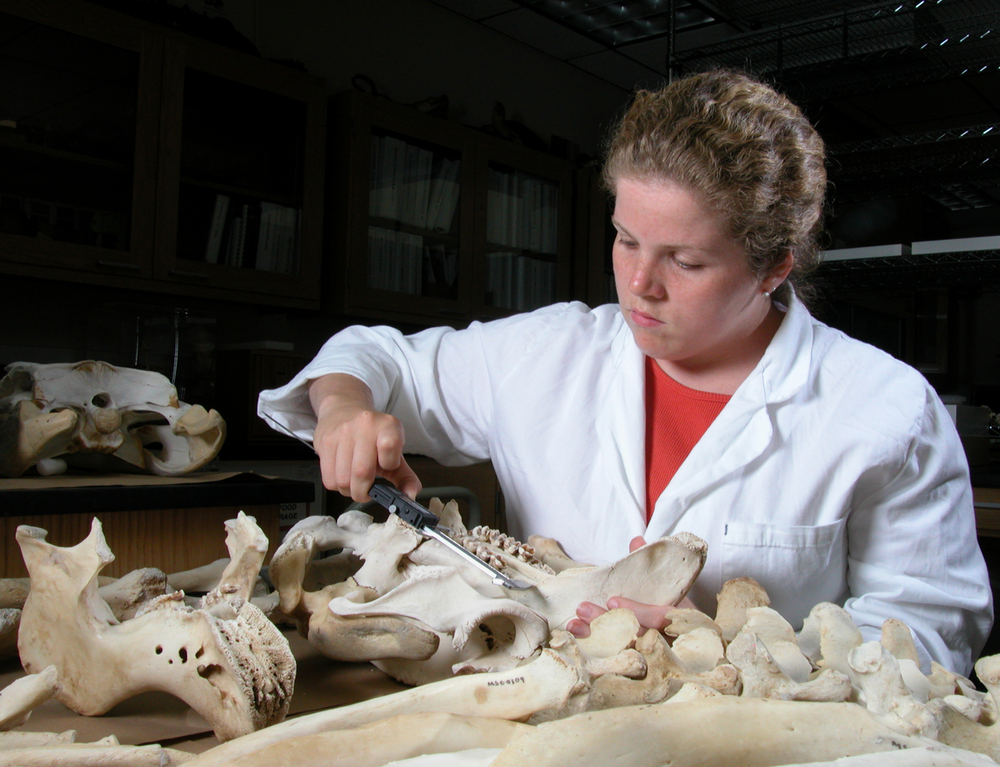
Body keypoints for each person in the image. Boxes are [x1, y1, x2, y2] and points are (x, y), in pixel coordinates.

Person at [258, 69, 993, 676]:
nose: (640, 282)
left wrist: (733, 647)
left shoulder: (886, 412)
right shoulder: (547, 355)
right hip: (543, 746)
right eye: (626, 238)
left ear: (772, 266)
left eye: (686, 260)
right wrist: (344, 409)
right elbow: (372, 357)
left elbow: (932, 635)